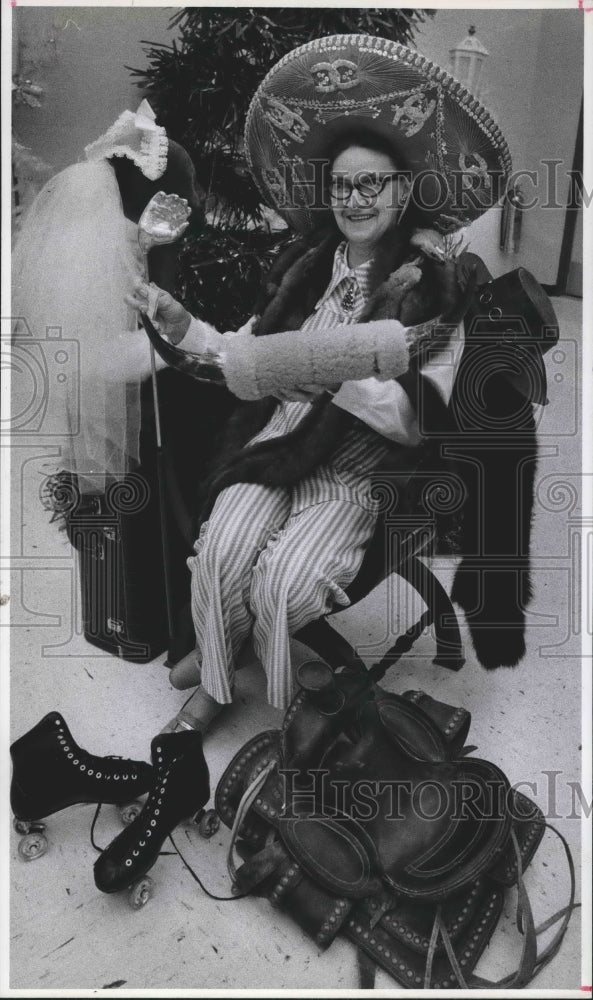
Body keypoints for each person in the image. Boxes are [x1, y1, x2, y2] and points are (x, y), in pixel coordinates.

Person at [127, 35, 522, 734]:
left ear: (401, 191)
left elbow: (414, 421)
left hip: (353, 469)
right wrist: (180, 320)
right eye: (341, 185)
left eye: (371, 183)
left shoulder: (429, 287)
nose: (354, 199)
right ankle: (217, 686)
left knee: (285, 582)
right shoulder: (304, 269)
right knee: (218, 551)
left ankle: (293, 717)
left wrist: (327, 375)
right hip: (275, 445)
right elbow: (236, 356)